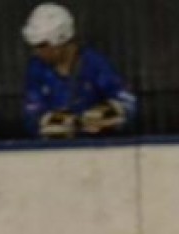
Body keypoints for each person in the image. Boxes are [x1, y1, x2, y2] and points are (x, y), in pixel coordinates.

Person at [20, 2, 136, 139]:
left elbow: (127, 101)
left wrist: (105, 115)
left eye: (43, 46)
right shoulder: (37, 69)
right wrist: (53, 122)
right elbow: (31, 113)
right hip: (54, 150)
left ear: (62, 40)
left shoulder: (94, 64)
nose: (38, 52)